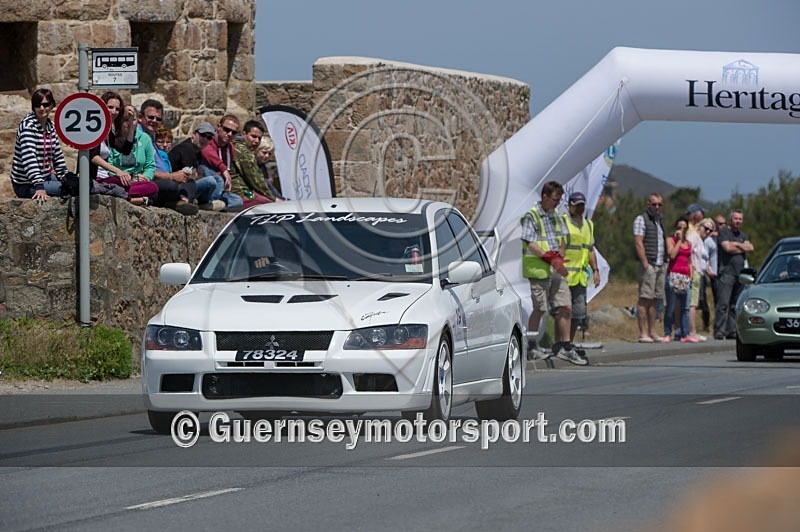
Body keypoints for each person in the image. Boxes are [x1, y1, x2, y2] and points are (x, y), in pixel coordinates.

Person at [520, 181, 586, 365]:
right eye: (555, 199)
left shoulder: (557, 216)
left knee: (566, 307)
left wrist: (561, 253)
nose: (558, 203)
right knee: (540, 308)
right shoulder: (531, 216)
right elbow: (530, 242)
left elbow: (563, 237)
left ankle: (564, 345)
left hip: (556, 270)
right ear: (545, 197)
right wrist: (549, 257)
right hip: (539, 270)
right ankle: (531, 346)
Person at [90, 91, 158, 206]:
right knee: (118, 182)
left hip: (108, 180)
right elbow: (93, 156)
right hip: (95, 179)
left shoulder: (108, 132)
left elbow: (126, 149)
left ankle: (122, 195)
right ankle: (128, 198)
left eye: (117, 109)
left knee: (152, 187)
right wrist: (118, 172)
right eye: (110, 107)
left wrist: (132, 124)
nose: (113, 112)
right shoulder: (95, 128)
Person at [10, 88, 68, 201]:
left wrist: (65, 176)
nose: (42, 108)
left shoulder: (50, 126)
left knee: (76, 184)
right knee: (69, 189)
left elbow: (58, 156)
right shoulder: (28, 127)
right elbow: (29, 158)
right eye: (37, 105)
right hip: (26, 184)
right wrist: (39, 186)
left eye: (45, 105)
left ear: (52, 105)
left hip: (45, 177)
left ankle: (109, 188)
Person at [563, 192, 600, 358]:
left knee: (578, 313)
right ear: (570, 205)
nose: (580, 208)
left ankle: (569, 343)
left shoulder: (588, 225)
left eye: (582, 205)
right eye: (576, 205)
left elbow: (590, 249)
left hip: (580, 276)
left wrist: (596, 271)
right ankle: (562, 343)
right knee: (564, 311)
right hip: (564, 275)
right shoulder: (563, 223)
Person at [714, 209, 754, 339]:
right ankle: (719, 330)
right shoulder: (724, 232)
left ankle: (731, 330)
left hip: (740, 274)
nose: (738, 221)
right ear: (731, 219)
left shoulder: (743, 234)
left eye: (740, 219)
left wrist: (737, 244)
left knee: (735, 305)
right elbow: (727, 248)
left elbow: (751, 248)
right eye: (736, 218)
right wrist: (740, 245)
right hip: (726, 273)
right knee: (723, 303)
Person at [633, 193, 667, 343]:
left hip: (660, 263)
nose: (657, 207)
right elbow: (638, 242)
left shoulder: (660, 221)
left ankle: (653, 331)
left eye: (659, 204)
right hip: (649, 264)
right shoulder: (641, 219)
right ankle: (643, 332)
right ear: (648, 204)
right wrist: (645, 263)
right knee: (644, 298)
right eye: (654, 204)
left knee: (655, 299)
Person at [167, 121, 222, 211]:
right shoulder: (187, 148)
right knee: (211, 181)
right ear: (193, 134)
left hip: (185, 185)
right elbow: (190, 176)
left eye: (209, 138)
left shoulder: (197, 151)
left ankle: (209, 202)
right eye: (203, 135)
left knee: (217, 179)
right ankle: (206, 203)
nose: (205, 139)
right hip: (179, 187)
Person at [231, 120, 282, 208]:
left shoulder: (237, 146)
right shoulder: (244, 152)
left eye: (259, 138)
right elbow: (256, 180)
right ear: (244, 134)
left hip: (242, 192)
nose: (256, 141)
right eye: (253, 136)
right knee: (268, 204)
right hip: (240, 193)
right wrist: (274, 199)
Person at [200, 114, 244, 211]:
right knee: (216, 178)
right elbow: (206, 151)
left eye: (233, 132)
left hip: (220, 188)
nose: (229, 134)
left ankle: (215, 205)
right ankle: (210, 203)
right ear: (219, 127)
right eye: (226, 130)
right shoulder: (209, 137)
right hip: (206, 179)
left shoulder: (230, 148)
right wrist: (223, 170)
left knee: (238, 201)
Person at [664, 217, 693, 342]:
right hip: (673, 275)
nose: (682, 230)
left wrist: (691, 275)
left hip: (685, 276)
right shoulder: (670, 240)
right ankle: (667, 332)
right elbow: (672, 255)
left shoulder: (688, 243)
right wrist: (678, 241)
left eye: (684, 228)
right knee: (671, 306)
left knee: (685, 307)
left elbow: (690, 261)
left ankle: (684, 333)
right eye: (679, 227)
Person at [684, 204, 707, 342]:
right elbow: (687, 251)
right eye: (706, 228)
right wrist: (690, 268)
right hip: (692, 271)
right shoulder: (691, 232)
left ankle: (692, 330)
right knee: (691, 303)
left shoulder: (695, 233)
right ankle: (690, 331)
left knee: (694, 303)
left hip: (698, 271)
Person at [698, 217, 718, 332]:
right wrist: (707, 270)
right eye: (706, 228)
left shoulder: (708, 240)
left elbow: (707, 257)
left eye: (711, 230)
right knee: (699, 301)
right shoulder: (697, 239)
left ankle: (707, 326)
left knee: (704, 301)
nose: (708, 232)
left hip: (704, 273)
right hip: (698, 273)